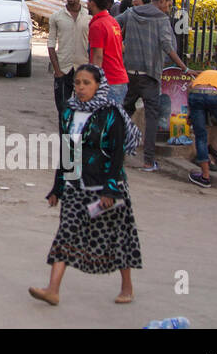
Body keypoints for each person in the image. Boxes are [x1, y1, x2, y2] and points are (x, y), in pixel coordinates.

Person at [29, 64, 142, 308]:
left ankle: (127, 287)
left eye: (86, 83)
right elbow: (66, 150)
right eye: (77, 83)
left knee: (117, 237)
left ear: (99, 86)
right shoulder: (69, 112)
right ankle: (53, 290)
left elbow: (117, 154)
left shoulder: (112, 114)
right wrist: (58, 187)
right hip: (76, 185)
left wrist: (110, 189)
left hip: (105, 186)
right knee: (65, 234)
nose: (80, 88)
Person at [118, 0, 185, 172]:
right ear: (162, 0)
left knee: (125, 113)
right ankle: (148, 161)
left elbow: (113, 25)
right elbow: (167, 45)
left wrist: (119, 48)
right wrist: (183, 67)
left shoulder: (131, 12)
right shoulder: (162, 19)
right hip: (150, 75)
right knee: (152, 117)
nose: (168, 9)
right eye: (169, 5)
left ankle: (117, 154)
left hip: (129, 71)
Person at [48, 0, 90, 117]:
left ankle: (78, 140)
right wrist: (57, 70)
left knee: (83, 112)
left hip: (83, 69)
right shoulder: (56, 17)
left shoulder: (89, 17)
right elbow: (51, 45)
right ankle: (65, 140)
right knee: (63, 112)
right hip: (63, 70)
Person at [87, 0, 128, 106]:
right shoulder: (112, 22)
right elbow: (121, 48)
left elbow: (98, 56)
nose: (87, 4)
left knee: (104, 122)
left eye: (88, 0)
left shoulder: (97, 25)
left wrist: (92, 83)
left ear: (93, 2)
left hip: (108, 81)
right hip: (120, 79)